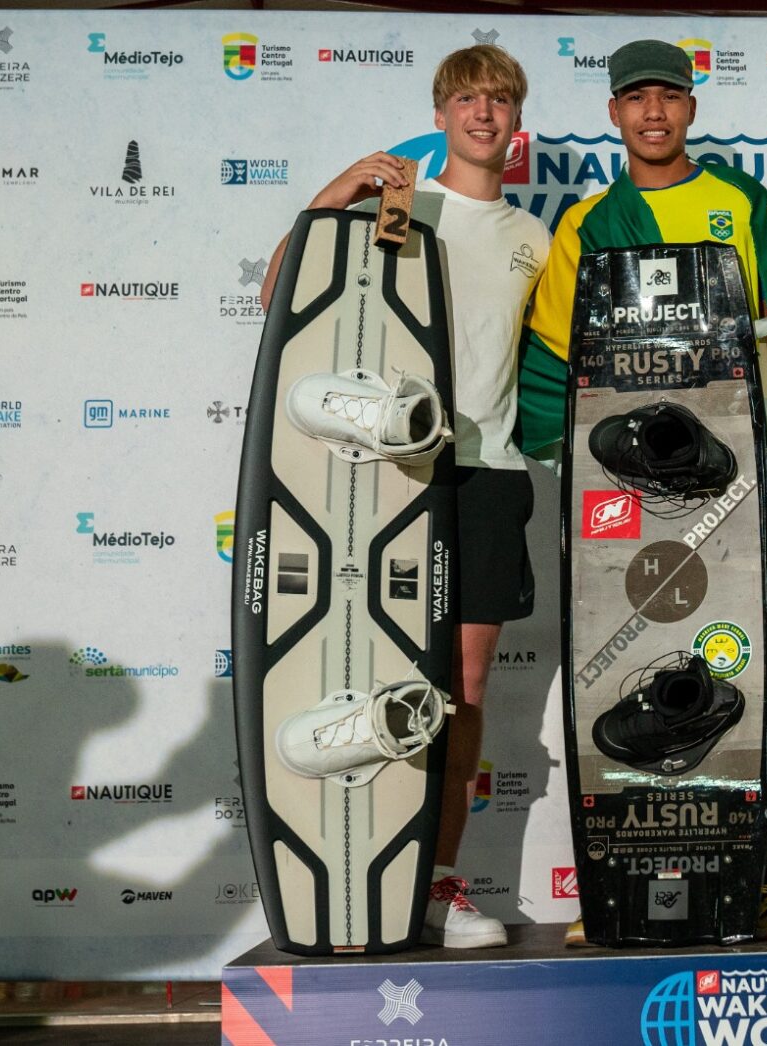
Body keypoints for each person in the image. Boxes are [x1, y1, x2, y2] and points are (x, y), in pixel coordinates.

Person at [516, 39, 767, 944]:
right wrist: (564, 461)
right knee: (614, 677)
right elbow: (552, 364)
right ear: (614, 114)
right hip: (620, 483)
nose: (653, 112)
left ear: (692, 107)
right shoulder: (586, 224)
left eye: (668, 95)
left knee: (727, 673)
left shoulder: (751, 202)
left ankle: (755, 881)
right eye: (636, 99)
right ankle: (610, 886)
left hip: (727, 475)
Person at [260, 43, 550, 948]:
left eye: (498, 101)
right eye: (467, 99)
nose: (483, 114)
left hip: (487, 470)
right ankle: (355, 875)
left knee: (461, 689)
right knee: (362, 670)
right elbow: (281, 298)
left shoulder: (535, 238)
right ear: (440, 115)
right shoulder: (400, 208)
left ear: (516, 122)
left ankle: (440, 884)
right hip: (384, 470)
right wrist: (333, 194)